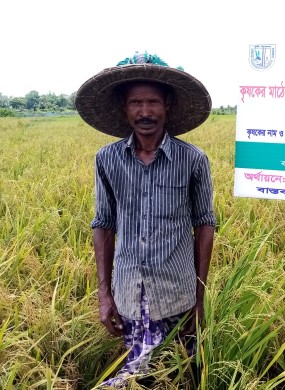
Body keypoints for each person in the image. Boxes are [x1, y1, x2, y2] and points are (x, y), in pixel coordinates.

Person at [75, 52, 216, 387]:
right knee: (142, 378)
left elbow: (205, 224)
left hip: (177, 296)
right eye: (136, 102)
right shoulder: (107, 160)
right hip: (128, 295)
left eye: (153, 101)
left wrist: (199, 299)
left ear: (166, 105)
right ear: (125, 109)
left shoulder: (193, 160)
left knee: (179, 374)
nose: (145, 112)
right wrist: (104, 294)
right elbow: (103, 224)